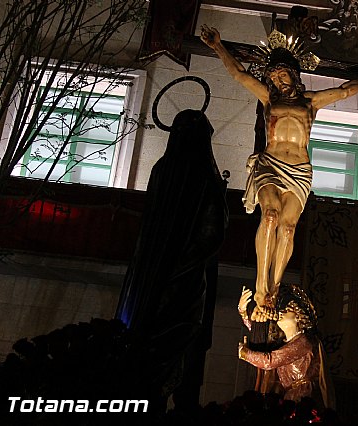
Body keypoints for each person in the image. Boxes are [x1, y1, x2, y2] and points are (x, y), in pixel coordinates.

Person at [201, 24, 358, 307]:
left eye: (282, 74)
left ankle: (272, 289)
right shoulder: (268, 99)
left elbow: (345, 91)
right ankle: (260, 283)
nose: (278, 81)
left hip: (299, 171)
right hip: (271, 166)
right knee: (271, 217)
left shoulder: (310, 102)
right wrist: (218, 46)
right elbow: (239, 75)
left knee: (288, 230)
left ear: (294, 74)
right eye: (274, 77)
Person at [115, 109, 228, 412]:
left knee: (162, 343)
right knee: (180, 345)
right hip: (181, 279)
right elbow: (214, 232)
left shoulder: (163, 170)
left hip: (155, 276)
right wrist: (187, 266)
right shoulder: (204, 175)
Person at [236, 284, 334, 408]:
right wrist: (243, 312)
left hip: (301, 398)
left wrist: (245, 353)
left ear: (298, 317)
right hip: (290, 395)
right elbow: (260, 336)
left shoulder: (303, 342)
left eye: (287, 311)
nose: (281, 312)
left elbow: (270, 360)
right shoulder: (285, 341)